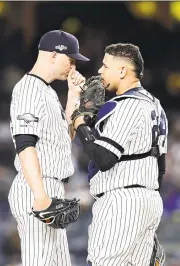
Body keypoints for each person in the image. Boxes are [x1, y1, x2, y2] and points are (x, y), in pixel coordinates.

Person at [69, 43, 168, 266]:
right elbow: (161, 167)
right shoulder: (156, 105)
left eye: (105, 66)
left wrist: (80, 124)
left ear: (123, 71)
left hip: (121, 202)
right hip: (148, 199)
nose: (100, 71)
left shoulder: (126, 105)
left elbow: (104, 158)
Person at [8, 29, 89, 266]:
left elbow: (65, 138)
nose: (73, 66)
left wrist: (74, 95)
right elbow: (25, 145)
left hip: (51, 187)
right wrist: (40, 194)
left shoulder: (47, 91)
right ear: (53, 54)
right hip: (35, 187)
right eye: (70, 59)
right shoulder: (28, 89)